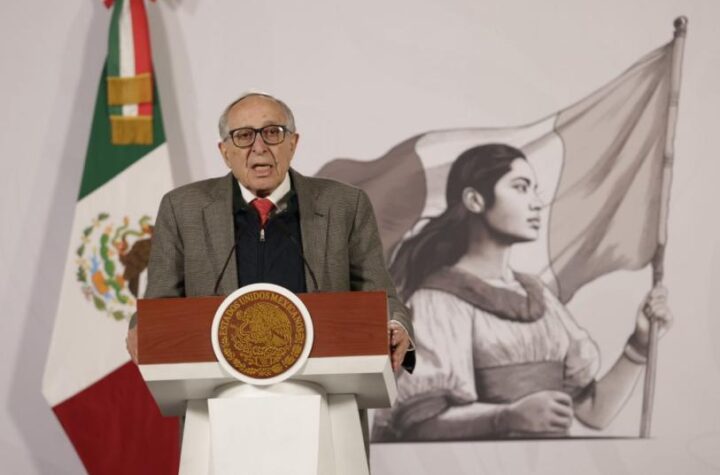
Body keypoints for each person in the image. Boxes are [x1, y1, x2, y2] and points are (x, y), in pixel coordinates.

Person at [372, 143, 672, 441]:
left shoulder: (539, 297)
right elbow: (420, 424)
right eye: (520, 187)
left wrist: (639, 345)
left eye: (534, 190)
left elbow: (594, 412)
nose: (536, 203)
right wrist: (507, 417)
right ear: (475, 200)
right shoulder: (437, 300)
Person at [126, 92, 414, 372]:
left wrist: (396, 325)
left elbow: (381, 299)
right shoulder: (182, 208)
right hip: (218, 389)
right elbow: (159, 306)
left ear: (293, 143)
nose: (259, 147)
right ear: (225, 152)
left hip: (323, 387)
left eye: (272, 133)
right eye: (243, 136)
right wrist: (143, 327)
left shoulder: (344, 204)